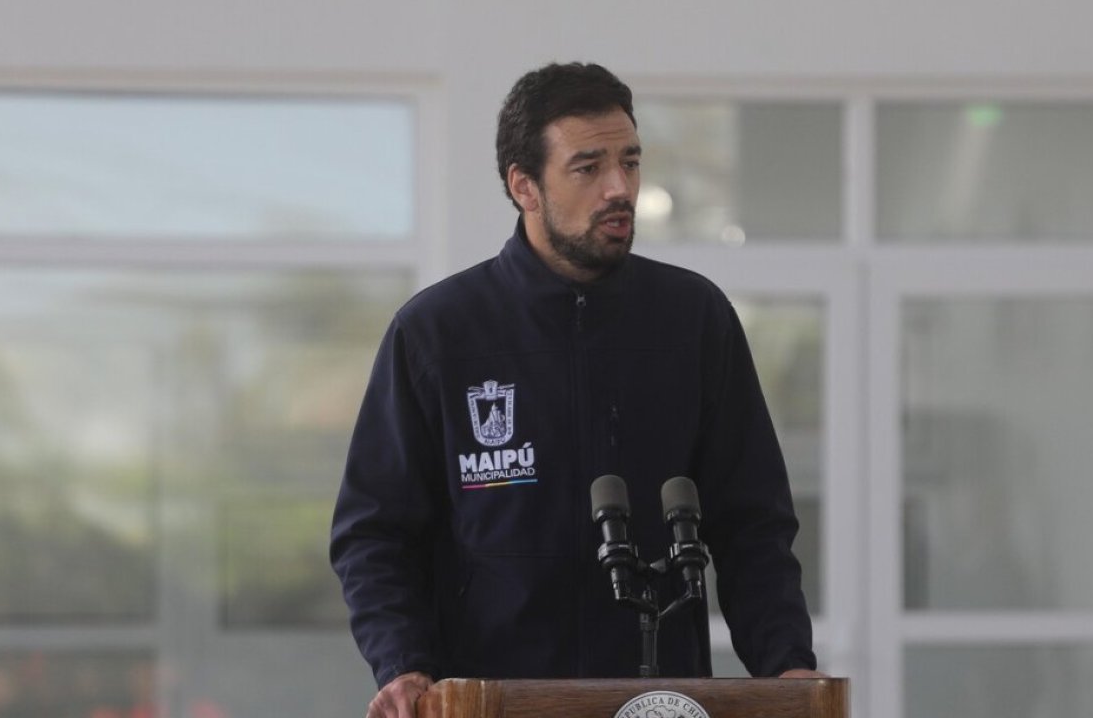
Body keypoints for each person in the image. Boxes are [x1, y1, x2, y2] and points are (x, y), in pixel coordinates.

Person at [330, 61, 823, 718]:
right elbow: (375, 533)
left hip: (656, 702)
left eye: (630, 162)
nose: (620, 188)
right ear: (524, 186)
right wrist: (404, 663)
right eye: (588, 168)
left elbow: (751, 523)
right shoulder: (438, 333)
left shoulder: (693, 320)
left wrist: (786, 664)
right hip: (491, 702)